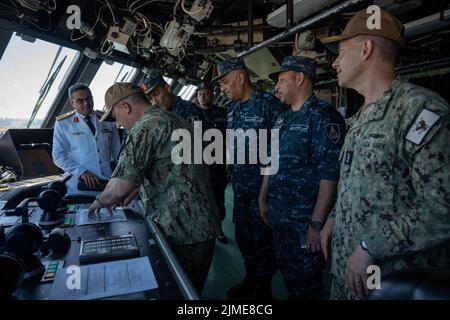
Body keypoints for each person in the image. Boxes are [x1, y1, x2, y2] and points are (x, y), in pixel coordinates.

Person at [319, 8, 450, 299]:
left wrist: (371, 246)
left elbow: (443, 206)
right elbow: (355, 184)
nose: (335, 62)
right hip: (347, 278)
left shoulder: (418, 110)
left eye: (340, 51)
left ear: (366, 49)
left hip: (392, 283)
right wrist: (333, 219)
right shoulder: (360, 119)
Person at [88, 83, 220, 294]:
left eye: (116, 116)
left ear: (125, 107)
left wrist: (100, 201)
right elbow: (175, 169)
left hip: (182, 230)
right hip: (201, 225)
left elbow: (120, 185)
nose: (119, 124)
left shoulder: (145, 127)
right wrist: (137, 188)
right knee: (191, 291)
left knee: (177, 294)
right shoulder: (174, 119)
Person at [259, 56, 346, 299]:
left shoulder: (323, 116)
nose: (276, 87)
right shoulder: (282, 119)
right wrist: (262, 198)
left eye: (281, 80)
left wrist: (316, 223)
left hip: (304, 221)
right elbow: (270, 160)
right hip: (279, 214)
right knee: (287, 273)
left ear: (299, 78)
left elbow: (330, 174)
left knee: (308, 282)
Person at [216, 57, 286, 299]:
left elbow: (278, 151)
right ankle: (250, 277)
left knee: (264, 242)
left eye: (225, 82)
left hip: (262, 190)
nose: (222, 88)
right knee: (243, 238)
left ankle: (264, 287)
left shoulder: (269, 105)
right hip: (241, 189)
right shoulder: (233, 109)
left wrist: (265, 196)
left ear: (240, 77)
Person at [52, 83, 121, 196]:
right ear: (72, 103)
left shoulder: (107, 119)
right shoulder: (64, 123)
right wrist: (81, 171)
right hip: (79, 185)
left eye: (89, 98)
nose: (86, 103)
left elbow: (118, 153)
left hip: (108, 184)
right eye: (80, 100)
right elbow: (58, 156)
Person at [196, 82, 229, 243]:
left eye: (206, 94)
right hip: (199, 168)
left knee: (218, 199)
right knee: (200, 199)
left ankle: (218, 229)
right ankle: (203, 231)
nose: (202, 97)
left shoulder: (223, 114)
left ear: (213, 95)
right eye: (199, 94)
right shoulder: (192, 114)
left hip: (218, 167)